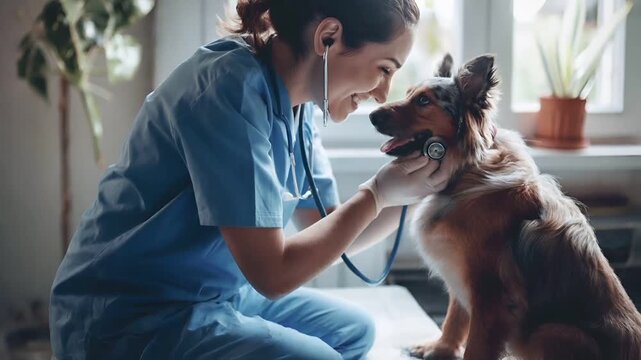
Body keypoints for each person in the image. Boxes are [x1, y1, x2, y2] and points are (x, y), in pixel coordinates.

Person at [49, 0, 453, 359]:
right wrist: (377, 192)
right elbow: (273, 275)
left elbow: (327, 226)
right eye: (384, 70)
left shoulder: (299, 107)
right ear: (328, 37)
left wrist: (416, 189)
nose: (383, 94)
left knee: (354, 332)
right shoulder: (229, 90)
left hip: (216, 294)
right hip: (134, 312)